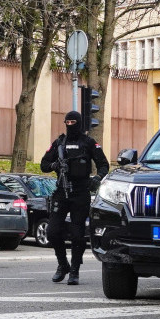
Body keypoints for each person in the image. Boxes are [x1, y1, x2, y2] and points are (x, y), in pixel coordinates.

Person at [40, 110, 110, 285]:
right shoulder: (59, 143)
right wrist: (55, 165)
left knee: (78, 235)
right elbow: (44, 164)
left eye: (73, 122)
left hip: (81, 192)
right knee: (52, 232)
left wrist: (97, 178)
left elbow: (103, 164)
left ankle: (74, 271)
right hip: (61, 190)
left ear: (79, 123)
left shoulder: (88, 143)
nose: (70, 125)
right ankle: (63, 264)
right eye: (67, 122)